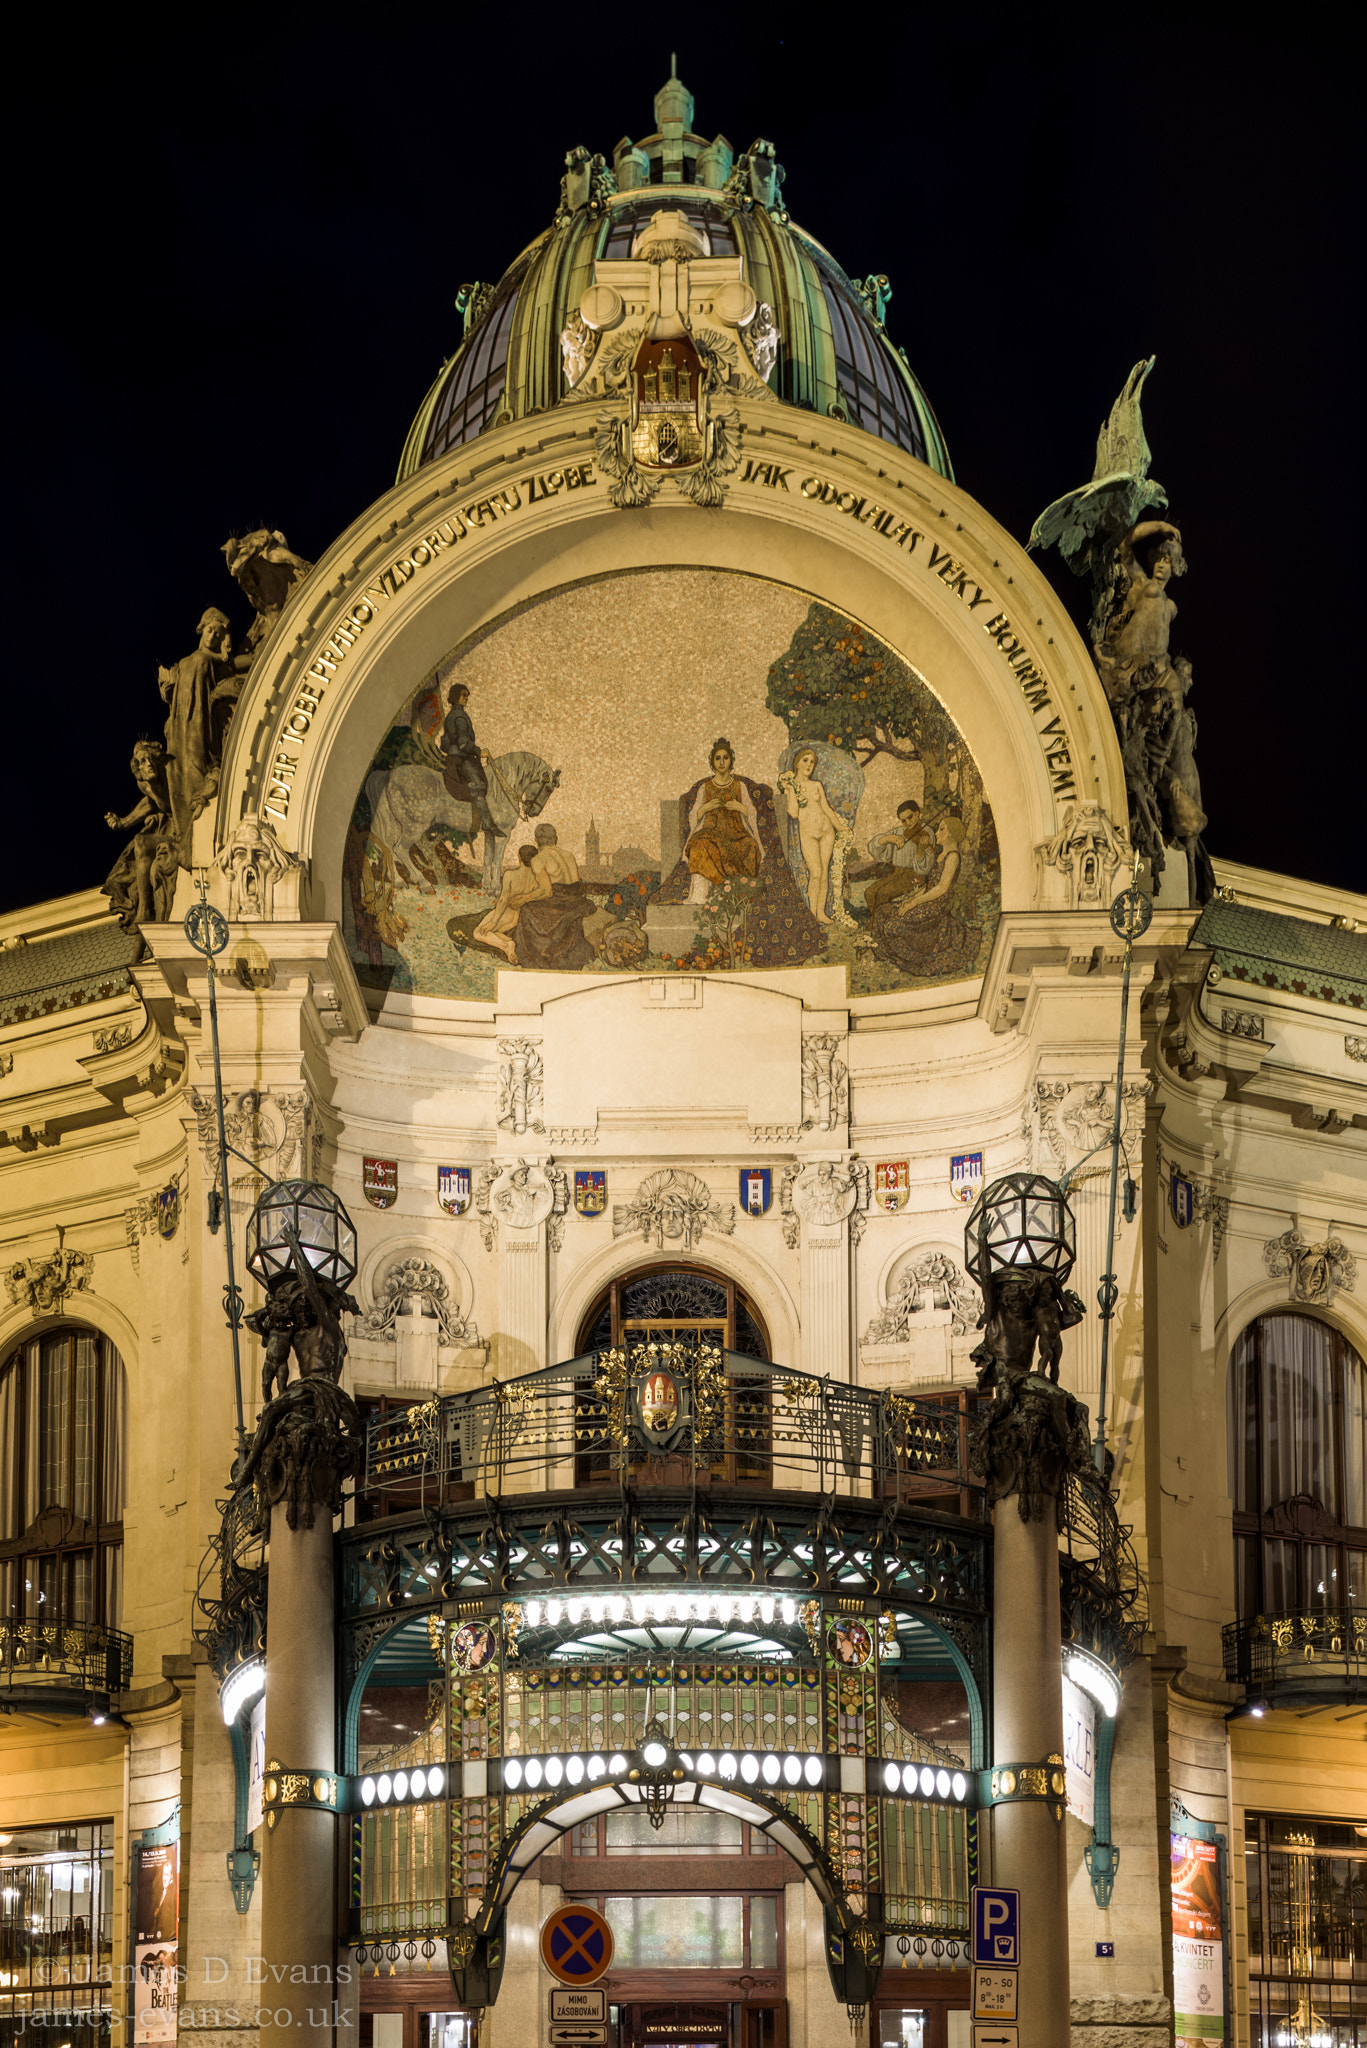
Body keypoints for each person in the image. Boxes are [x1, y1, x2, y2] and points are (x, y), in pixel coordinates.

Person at [870, 814, 981, 977]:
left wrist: (915, 903)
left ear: (951, 833)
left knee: (893, 926)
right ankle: (886, 955)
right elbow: (929, 885)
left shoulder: (953, 857)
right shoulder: (940, 855)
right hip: (925, 900)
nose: (936, 833)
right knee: (882, 911)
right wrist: (910, 899)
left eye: (942, 829)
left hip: (936, 906)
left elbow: (942, 888)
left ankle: (913, 960)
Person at [684, 738, 763, 903]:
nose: (721, 762)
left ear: (731, 761)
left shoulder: (739, 786)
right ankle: (704, 896)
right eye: (717, 758)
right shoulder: (705, 788)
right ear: (712, 762)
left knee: (750, 845)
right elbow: (693, 815)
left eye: (725, 758)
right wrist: (706, 808)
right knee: (699, 846)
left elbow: (752, 812)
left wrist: (739, 807)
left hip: (736, 832)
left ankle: (738, 893)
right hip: (709, 832)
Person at [777, 746, 849, 922]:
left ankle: (821, 913)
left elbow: (827, 809)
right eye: (805, 761)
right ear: (797, 763)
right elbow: (793, 813)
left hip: (826, 832)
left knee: (824, 873)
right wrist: (792, 789)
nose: (809, 765)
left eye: (812, 762)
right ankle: (811, 914)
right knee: (815, 873)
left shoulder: (817, 785)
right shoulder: (790, 786)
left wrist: (842, 828)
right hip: (808, 833)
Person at [513, 824, 595, 969]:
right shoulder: (569, 855)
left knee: (526, 909)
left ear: (537, 840)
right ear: (555, 839)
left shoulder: (539, 858)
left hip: (559, 904)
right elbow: (574, 885)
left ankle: (536, 954)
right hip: (576, 901)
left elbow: (547, 892)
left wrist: (524, 898)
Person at [440, 683, 500, 846]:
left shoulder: (452, 716)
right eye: (463, 695)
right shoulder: (459, 717)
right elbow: (463, 743)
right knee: (478, 786)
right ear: (455, 697)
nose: (466, 699)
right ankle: (488, 824)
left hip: (454, 758)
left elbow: (446, 743)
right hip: (461, 760)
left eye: (466, 695)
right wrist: (480, 752)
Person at [862, 800, 938, 914]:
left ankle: (876, 926)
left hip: (915, 877)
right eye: (903, 821)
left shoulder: (927, 832)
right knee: (869, 892)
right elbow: (873, 847)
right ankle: (879, 922)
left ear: (917, 813)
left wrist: (921, 850)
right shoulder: (899, 831)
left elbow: (925, 869)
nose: (908, 823)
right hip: (897, 874)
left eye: (910, 817)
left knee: (883, 893)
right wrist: (888, 838)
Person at [472, 845, 541, 962]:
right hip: (518, 918)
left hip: (506, 914)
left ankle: (506, 946)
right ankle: (508, 943)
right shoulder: (537, 878)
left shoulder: (510, 875)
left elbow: (503, 899)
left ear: (519, 857)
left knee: (478, 933)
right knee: (495, 932)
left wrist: (493, 922)